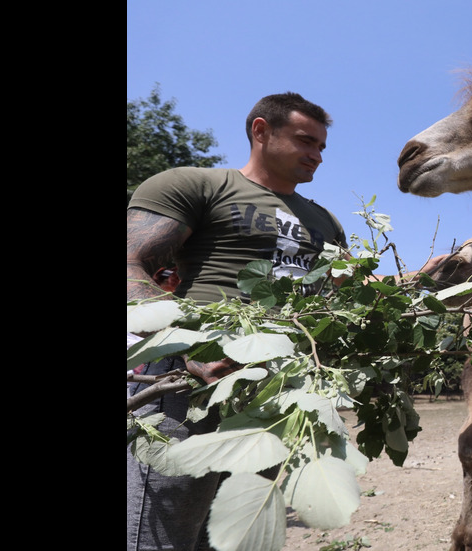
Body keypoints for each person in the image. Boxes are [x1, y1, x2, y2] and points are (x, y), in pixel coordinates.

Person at [127, 92, 437, 550]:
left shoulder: (324, 220)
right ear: (260, 131)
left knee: (235, 533)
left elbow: (349, 296)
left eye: (322, 148)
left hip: (279, 398)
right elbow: (132, 265)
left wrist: (427, 278)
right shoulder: (195, 184)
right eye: (305, 141)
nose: (316, 156)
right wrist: (190, 351)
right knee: (163, 534)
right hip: (190, 382)